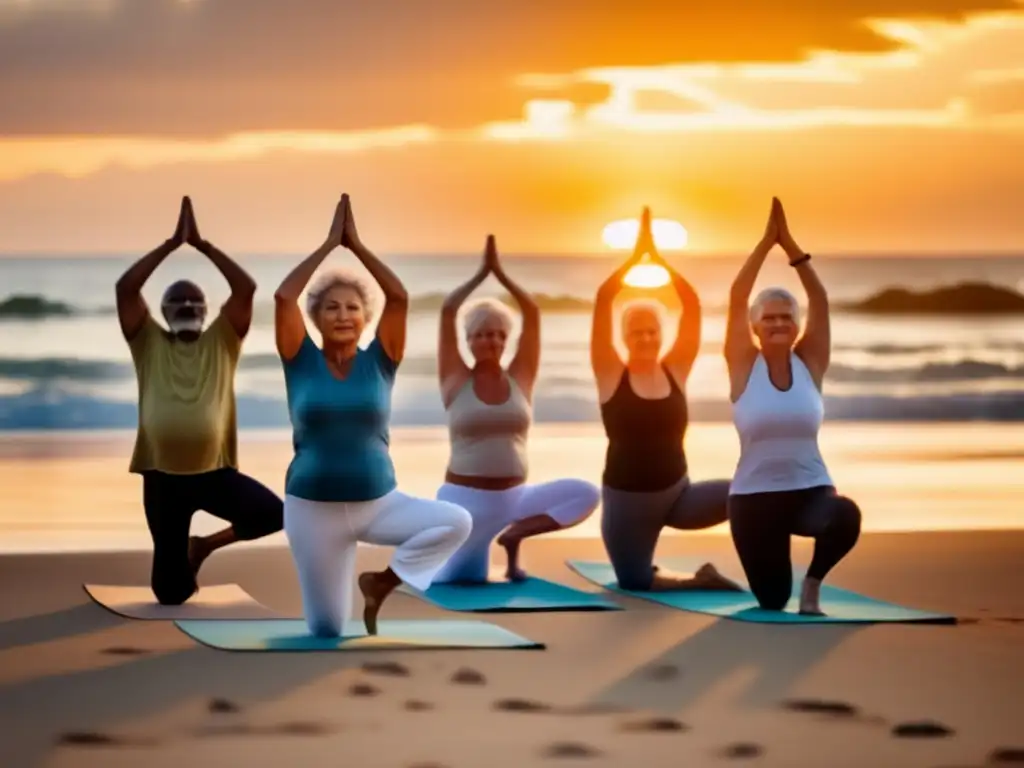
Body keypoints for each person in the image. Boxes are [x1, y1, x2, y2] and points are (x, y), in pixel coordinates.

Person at [274, 193, 472, 636]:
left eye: (352, 307)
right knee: (326, 628)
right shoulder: (298, 359)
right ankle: (342, 600)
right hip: (312, 510)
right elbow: (284, 295)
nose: (343, 314)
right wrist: (329, 245)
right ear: (317, 318)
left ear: (365, 319)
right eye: (331, 307)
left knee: (455, 521)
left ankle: (383, 581)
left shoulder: (381, 360)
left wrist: (357, 246)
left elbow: (398, 296)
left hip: (379, 504)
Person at [116, 196, 284, 606]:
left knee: (275, 515)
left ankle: (203, 546)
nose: (188, 306)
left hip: (213, 474)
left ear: (208, 312)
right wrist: (172, 244)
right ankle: (182, 560)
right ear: (164, 312)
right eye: (178, 302)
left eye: (195, 302)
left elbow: (245, 287)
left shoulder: (223, 341)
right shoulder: (147, 341)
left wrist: (203, 245)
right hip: (162, 478)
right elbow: (126, 287)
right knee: (171, 594)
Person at [432, 236, 600, 584]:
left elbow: (533, 314)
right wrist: (483, 273)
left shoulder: (520, 379)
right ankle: (449, 550)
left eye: (497, 335)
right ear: (469, 340)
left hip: (515, 498)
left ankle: (514, 536)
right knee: (459, 581)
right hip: (466, 504)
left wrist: (505, 277)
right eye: (481, 334)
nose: (490, 341)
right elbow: (448, 311)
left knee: (585, 494)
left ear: (506, 340)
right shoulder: (455, 379)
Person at [590, 208, 740, 592]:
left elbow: (691, 305)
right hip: (628, 504)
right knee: (634, 582)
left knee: (750, 491)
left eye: (652, 331)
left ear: (661, 333)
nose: (645, 338)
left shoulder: (675, 369)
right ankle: (699, 580)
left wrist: (661, 262)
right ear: (625, 337)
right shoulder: (610, 373)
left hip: (679, 494)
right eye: (636, 332)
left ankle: (762, 569)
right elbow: (604, 299)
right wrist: (633, 258)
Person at [724, 197, 862, 615]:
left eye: (787, 317)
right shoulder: (743, 364)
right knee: (770, 599)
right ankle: (776, 584)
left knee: (844, 516)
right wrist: (767, 244)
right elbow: (736, 295)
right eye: (769, 318)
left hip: (809, 492)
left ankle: (813, 586)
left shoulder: (811, 363)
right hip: (753, 499)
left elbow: (819, 299)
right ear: (755, 327)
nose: (779, 323)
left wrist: (793, 250)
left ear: (797, 325)